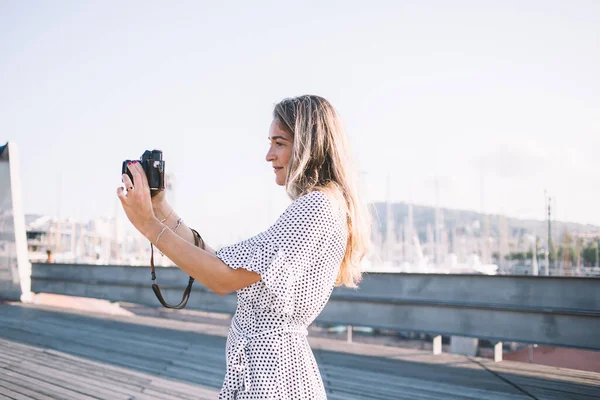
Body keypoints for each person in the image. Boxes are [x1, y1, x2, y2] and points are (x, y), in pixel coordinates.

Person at [117, 95, 371, 399]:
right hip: (270, 373)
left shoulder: (316, 207)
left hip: (274, 379)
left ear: (308, 146)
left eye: (279, 143)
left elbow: (223, 278)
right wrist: (160, 210)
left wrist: (147, 223)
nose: (268, 155)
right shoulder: (322, 205)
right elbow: (222, 265)